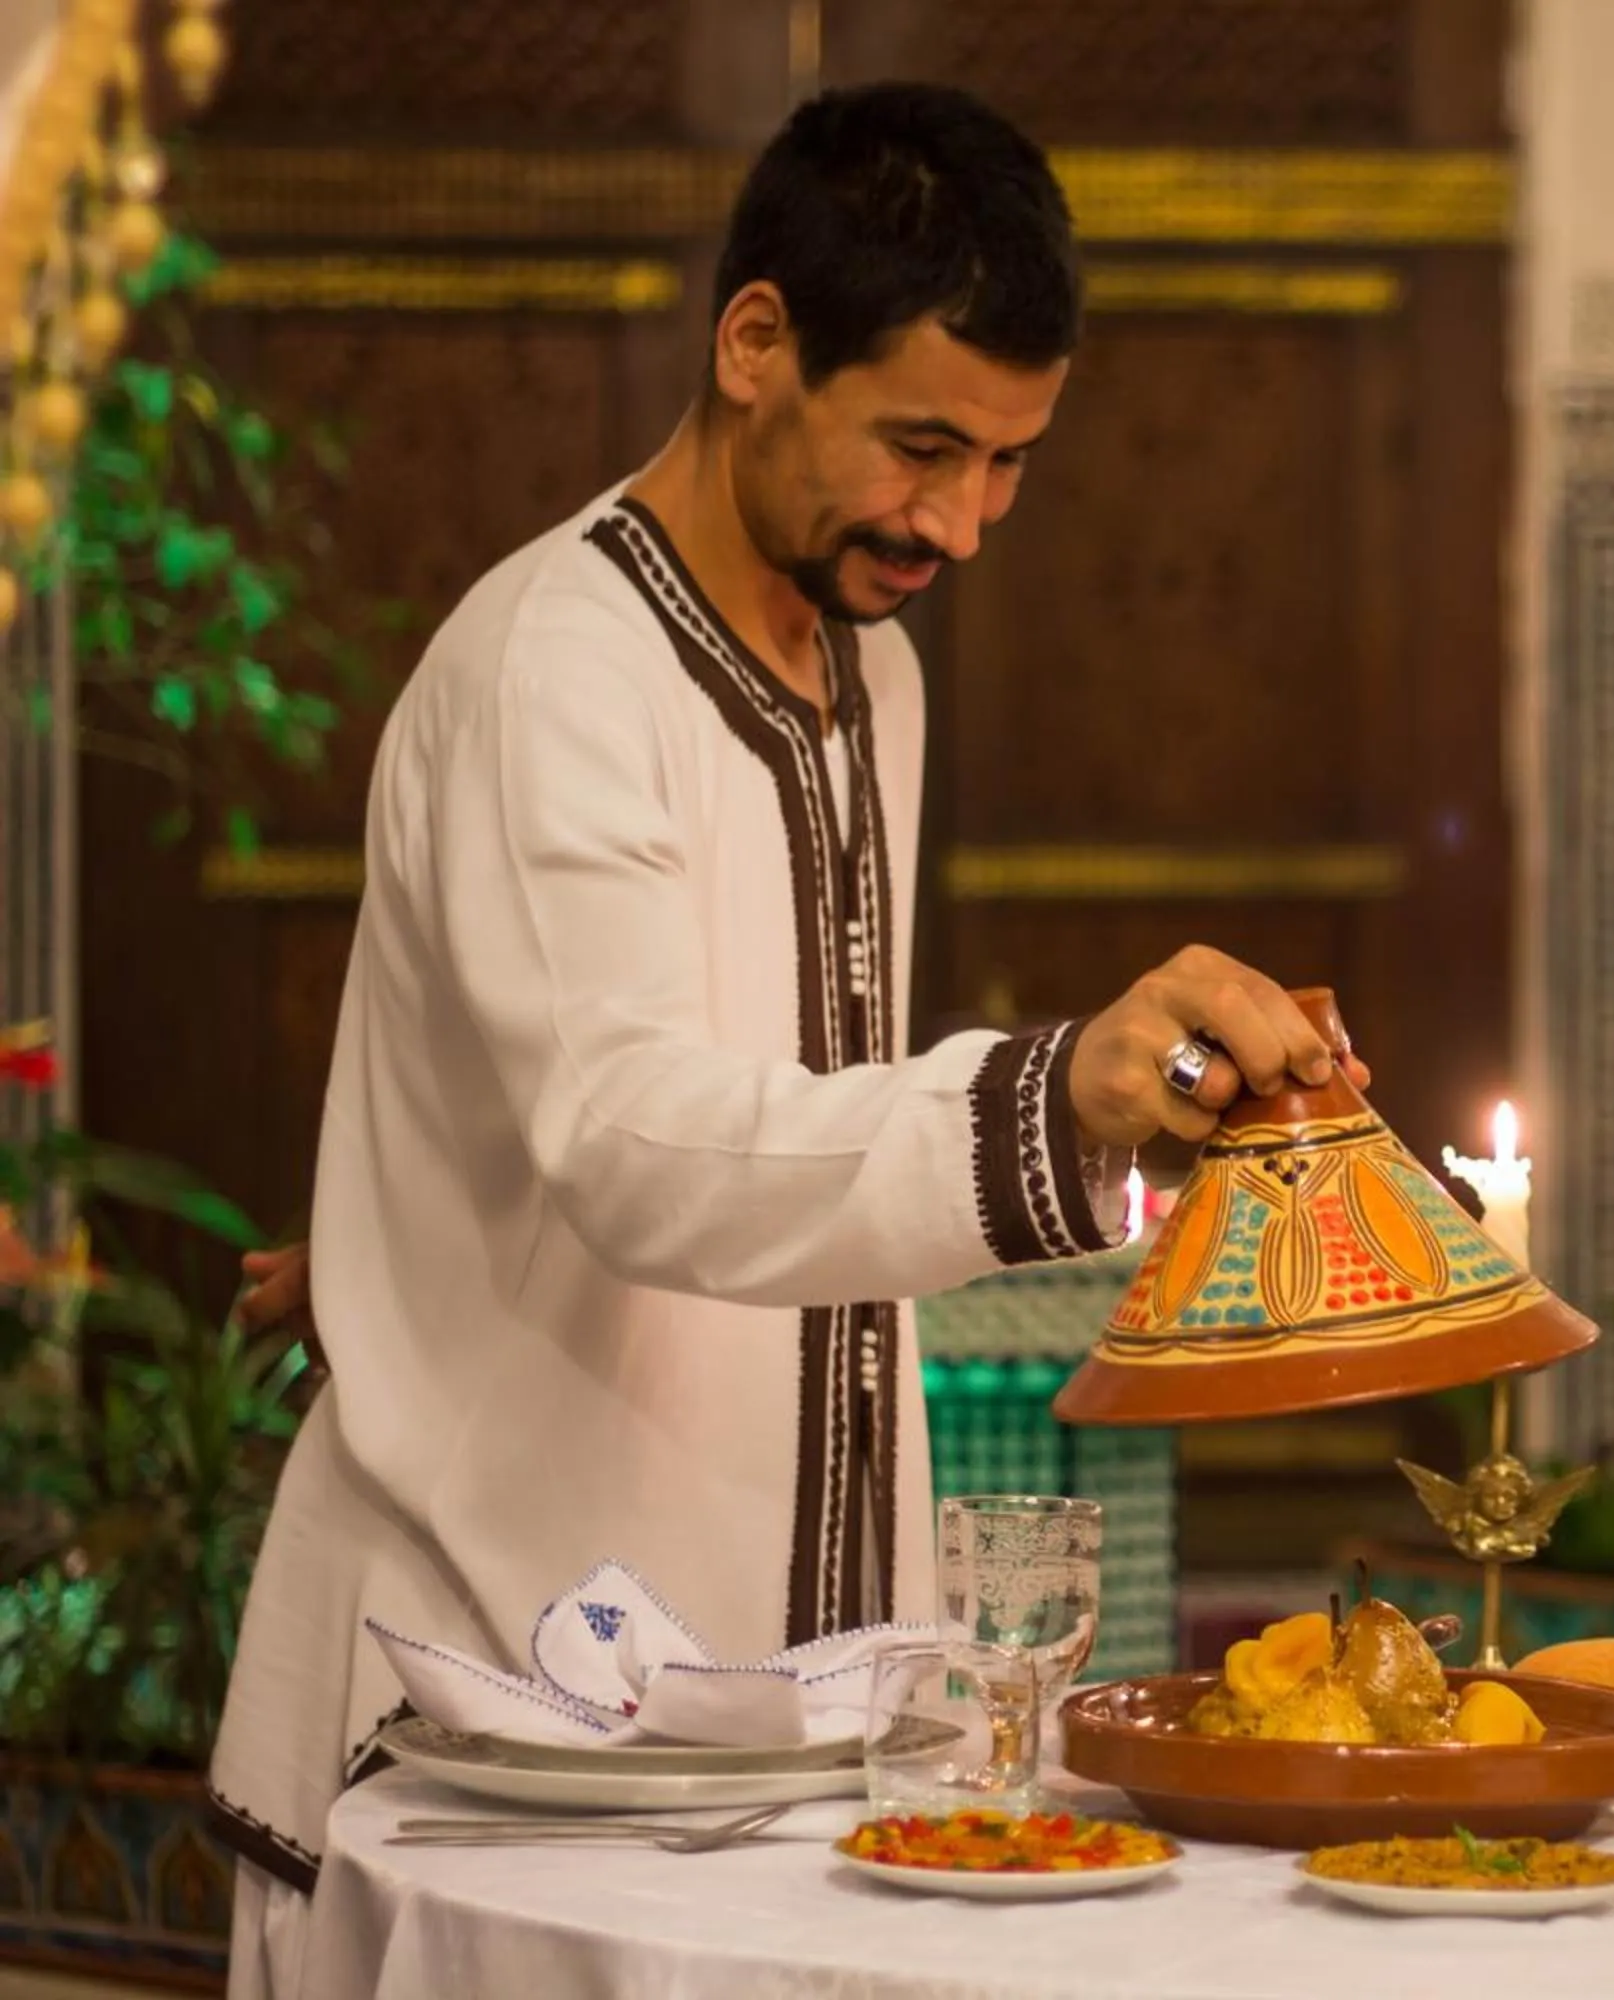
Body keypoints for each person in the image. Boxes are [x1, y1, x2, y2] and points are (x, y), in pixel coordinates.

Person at [210, 86, 1360, 1993]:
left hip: (780, 1721)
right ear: (754, 345)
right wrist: (1054, 1090)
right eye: (923, 445)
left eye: (1009, 465)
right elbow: (635, 1141)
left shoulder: (867, 670)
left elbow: (739, 1090)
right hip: (516, 1725)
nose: (963, 524)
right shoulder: (552, 671)